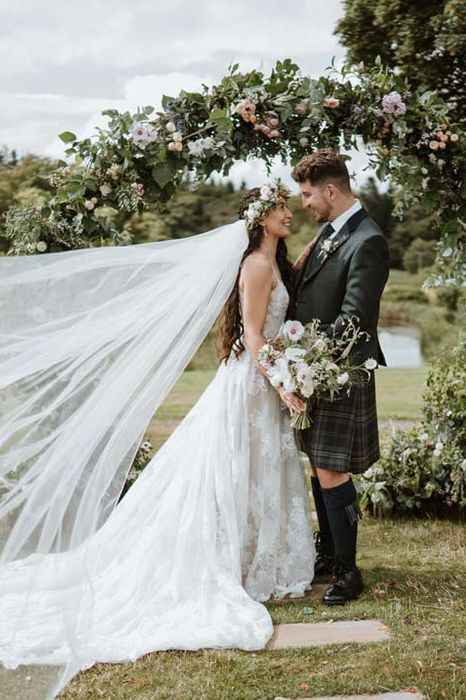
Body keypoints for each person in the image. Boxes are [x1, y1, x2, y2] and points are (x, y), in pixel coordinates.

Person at [0, 182, 314, 695]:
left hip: (258, 382)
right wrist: (283, 382)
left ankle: (258, 557)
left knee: (258, 469)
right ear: (261, 218)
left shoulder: (274, 261)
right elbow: (255, 334)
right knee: (241, 468)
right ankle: (241, 562)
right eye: (281, 208)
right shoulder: (256, 266)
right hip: (252, 384)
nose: (290, 213)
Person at [291, 149, 390, 606]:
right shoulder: (333, 233)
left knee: (332, 469)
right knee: (319, 463)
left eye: (309, 194)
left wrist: (297, 346)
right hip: (316, 370)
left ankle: (349, 572)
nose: (304, 203)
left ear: (331, 190)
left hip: (341, 369)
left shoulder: (367, 240)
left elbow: (354, 321)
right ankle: (329, 552)